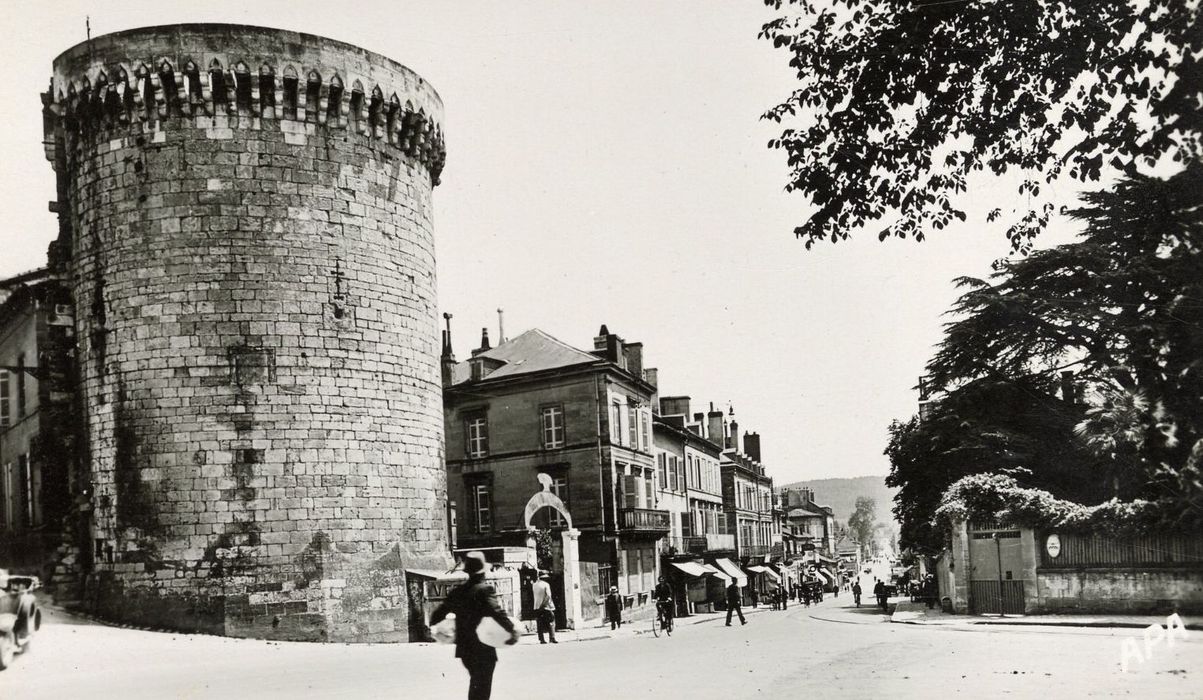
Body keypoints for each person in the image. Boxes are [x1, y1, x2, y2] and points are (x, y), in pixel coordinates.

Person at [430, 551, 519, 700]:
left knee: (477, 685)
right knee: (481, 690)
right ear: (482, 573)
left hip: (465, 649)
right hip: (483, 647)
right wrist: (511, 631)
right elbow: (497, 612)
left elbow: (436, 616)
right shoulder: (484, 590)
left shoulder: (457, 593)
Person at [531, 572, 557, 644]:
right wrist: (543, 604)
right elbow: (548, 596)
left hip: (536, 606)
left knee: (540, 623)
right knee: (551, 621)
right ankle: (552, 638)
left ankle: (541, 639)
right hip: (546, 606)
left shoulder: (534, 585)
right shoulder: (546, 585)